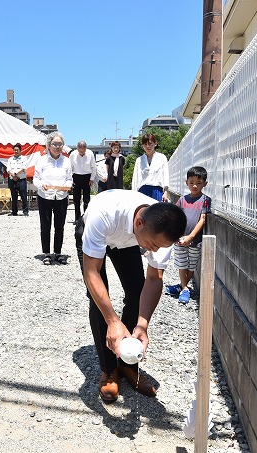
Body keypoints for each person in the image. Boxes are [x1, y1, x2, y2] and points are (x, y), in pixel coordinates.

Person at [75, 189, 187, 403]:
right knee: (99, 300)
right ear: (139, 223)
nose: (155, 250)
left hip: (129, 241)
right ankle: (109, 369)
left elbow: (154, 279)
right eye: (153, 245)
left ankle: (127, 363)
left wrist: (142, 325)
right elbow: (92, 272)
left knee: (136, 291)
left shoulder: (160, 232)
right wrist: (113, 321)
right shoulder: (105, 213)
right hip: (100, 231)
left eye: (160, 247)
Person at [165, 166, 212, 304]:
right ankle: (185, 288)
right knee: (181, 263)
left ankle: (181, 286)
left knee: (191, 265)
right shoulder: (182, 200)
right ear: (186, 182)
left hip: (195, 240)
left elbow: (203, 219)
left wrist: (191, 237)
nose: (195, 185)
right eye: (191, 182)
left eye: (198, 182)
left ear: (205, 183)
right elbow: (176, 218)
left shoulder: (205, 200)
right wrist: (176, 235)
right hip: (180, 238)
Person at [33, 132, 73, 265]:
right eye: (55, 144)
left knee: (59, 226)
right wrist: (41, 185)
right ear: (49, 146)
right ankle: (46, 253)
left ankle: (58, 252)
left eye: (60, 144)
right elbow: (36, 179)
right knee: (45, 225)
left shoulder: (67, 161)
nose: (58, 147)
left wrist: (67, 186)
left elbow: (69, 179)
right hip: (45, 196)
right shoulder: (41, 160)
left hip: (61, 196)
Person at [132, 133, 169, 202]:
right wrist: (134, 194)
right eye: (145, 144)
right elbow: (135, 178)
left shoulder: (162, 157)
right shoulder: (139, 160)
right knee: (143, 212)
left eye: (150, 144)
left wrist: (165, 192)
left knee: (157, 212)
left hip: (157, 191)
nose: (147, 146)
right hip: (142, 191)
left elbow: (165, 175)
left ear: (155, 143)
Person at [69, 141, 97, 221]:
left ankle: (86, 218)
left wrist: (92, 179)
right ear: (77, 149)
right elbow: (69, 168)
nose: (82, 153)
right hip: (76, 177)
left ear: (86, 148)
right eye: (80, 151)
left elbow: (93, 167)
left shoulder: (90, 153)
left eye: (83, 151)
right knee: (76, 200)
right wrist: (70, 179)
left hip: (87, 177)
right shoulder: (73, 154)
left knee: (86, 200)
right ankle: (77, 218)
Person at [6, 144, 29, 216]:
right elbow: (8, 169)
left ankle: (25, 211)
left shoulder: (24, 158)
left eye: (17, 150)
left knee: (23, 196)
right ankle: (14, 212)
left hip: (21, 179)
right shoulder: (10, 159)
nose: (16, 151)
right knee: (14, 196)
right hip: (12, 179)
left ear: (20, 150)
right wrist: (12, 175)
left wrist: (15, 174)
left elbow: (24, 168)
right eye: (15, 150)